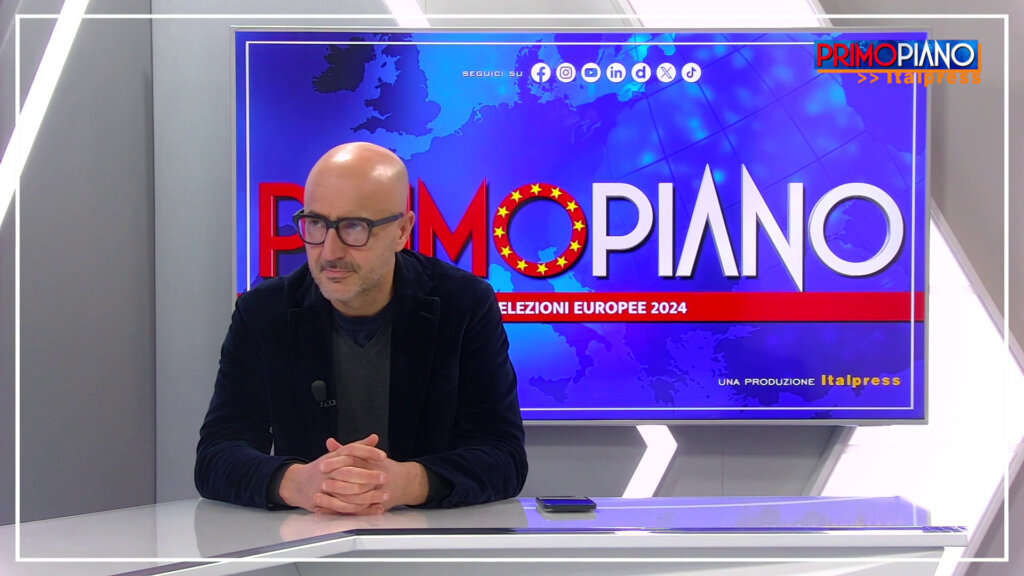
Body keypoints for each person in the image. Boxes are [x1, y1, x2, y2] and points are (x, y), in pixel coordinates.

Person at [195, 142, 527, 514]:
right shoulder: (264, 311)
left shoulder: (463, 304)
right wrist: (297, 483)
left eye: (354, 227)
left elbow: (504, 457)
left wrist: (405, 482)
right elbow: (216, 456)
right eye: (316, 223)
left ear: (402, 231)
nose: (330, 252)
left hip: (426, 537)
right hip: (306, 537)